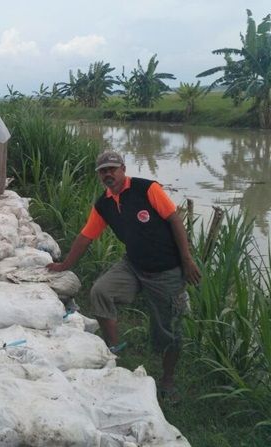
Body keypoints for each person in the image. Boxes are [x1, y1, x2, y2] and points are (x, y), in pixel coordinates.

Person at [47, 151, 201, 398]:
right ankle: (114, 350)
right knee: (101, 292)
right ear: (99, 175)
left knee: (168, 327)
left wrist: (187, 259)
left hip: (166, 270)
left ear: (123, 169)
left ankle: (168, 378)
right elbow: (86, 237)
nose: (108, 174)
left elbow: (174, 220)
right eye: (103, 171)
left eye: (112, 169)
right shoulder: (104, 204)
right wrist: (65, 264)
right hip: (133, 266)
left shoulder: (147, 189)